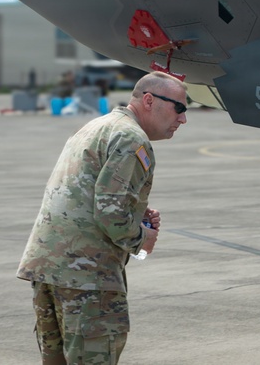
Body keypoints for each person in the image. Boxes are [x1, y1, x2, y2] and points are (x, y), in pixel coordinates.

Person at [17, 71, 189, 364]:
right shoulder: (132, 139)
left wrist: (134, 208)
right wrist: (142, 239)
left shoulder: (97, 126)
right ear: (149, 100)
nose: (183, 119)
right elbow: (111, 215)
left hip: (49, 269)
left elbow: (80, 190)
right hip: (87, 277)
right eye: (180, 108)